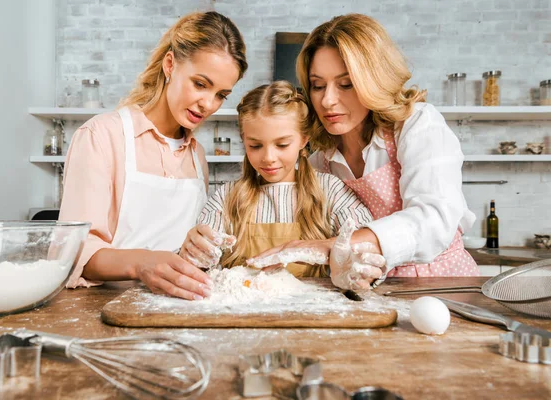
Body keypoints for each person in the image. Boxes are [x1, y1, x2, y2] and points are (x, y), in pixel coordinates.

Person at [255, 13, 479, 288]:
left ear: (375, 79)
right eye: (318, 85)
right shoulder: (320, 162)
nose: (327, 100)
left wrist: (333, 246)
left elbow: (434, 219)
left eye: (346, 84)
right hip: (372, 293)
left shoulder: (417, 125)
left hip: (445, 286)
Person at [58, 11, 248, 300]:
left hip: (178, 311)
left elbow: (184, 252)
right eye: (200, 84)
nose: (208, 104)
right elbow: (74, 253)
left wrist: (200, 249)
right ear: (170, 64)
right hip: (104, 310)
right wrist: (143, 263)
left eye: (221, 95)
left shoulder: (197, 155)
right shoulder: (102, 136)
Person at [180, 81, 382, 280]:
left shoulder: (330, 191)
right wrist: (196, 251)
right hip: (242, 310)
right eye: (255, 146)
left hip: (310, 310)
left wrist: (356, 268)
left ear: (304, 139)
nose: (268, 157)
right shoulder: (226, 198)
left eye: (282, 144)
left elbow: (368, 250)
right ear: (244, 141)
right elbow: (198, 264)